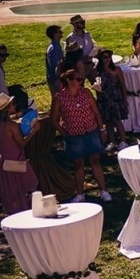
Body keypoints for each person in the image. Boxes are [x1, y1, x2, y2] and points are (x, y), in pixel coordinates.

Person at [51, 68, 111, 202]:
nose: (81, 82)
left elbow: (96, 112)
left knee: (95, 161)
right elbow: (53, 119)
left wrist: (101, 130)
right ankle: (80, 194)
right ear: (68, 81)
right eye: (78, 80)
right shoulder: (59, 98)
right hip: (74, 136)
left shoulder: (86, 93)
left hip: (91, 132)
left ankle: (103, 191)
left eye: (81, 79)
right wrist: (64, 133)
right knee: (78, 164)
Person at [0, 92, 38, 215]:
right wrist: (34, 131)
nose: (14, 106)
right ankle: (25, 208)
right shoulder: (11, 126)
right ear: (7, 109)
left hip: (2, 158)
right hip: (14, 157)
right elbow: (22, 143)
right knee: (29, 183)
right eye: (11, 105)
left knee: (9, 186)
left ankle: (14, 209)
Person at [93, 49, 130, 150]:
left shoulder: (116, 70)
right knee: (108, 121)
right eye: (105, 57)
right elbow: (96, 85)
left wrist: (125, 99)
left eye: (109, 57)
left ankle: (123, 141)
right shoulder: (97, 71)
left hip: (116, 98)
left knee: (117, 120)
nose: (107, 59)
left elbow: (123, 85)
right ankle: (112, 141)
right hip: (104, 99)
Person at [45, 26, 65, 95]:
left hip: (55, 78)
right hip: (56, 79)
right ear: (55, 34)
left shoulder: (56, 46)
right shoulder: (54, 48)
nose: (62, 32)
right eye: (60, 31)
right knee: (60, 98)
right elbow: (55, 66)